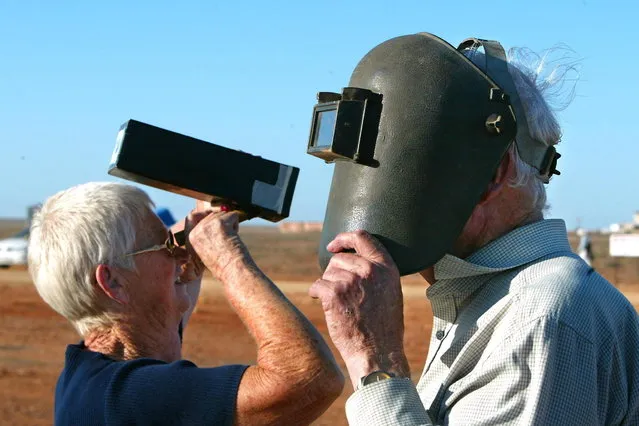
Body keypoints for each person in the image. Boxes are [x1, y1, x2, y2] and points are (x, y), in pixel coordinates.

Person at [308, 33, 639, 425]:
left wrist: (376, 364)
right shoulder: (495, 297)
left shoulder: (538, 315)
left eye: (412, 167)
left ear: (490, 177)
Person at [28, 182, 344, 425]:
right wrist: (226, 257)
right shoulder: (129, 395)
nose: (179, 254)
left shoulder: (88, 375)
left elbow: (165, 311)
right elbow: (309, 378)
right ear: (112, 282)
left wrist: (201, 224)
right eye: (164, 245)